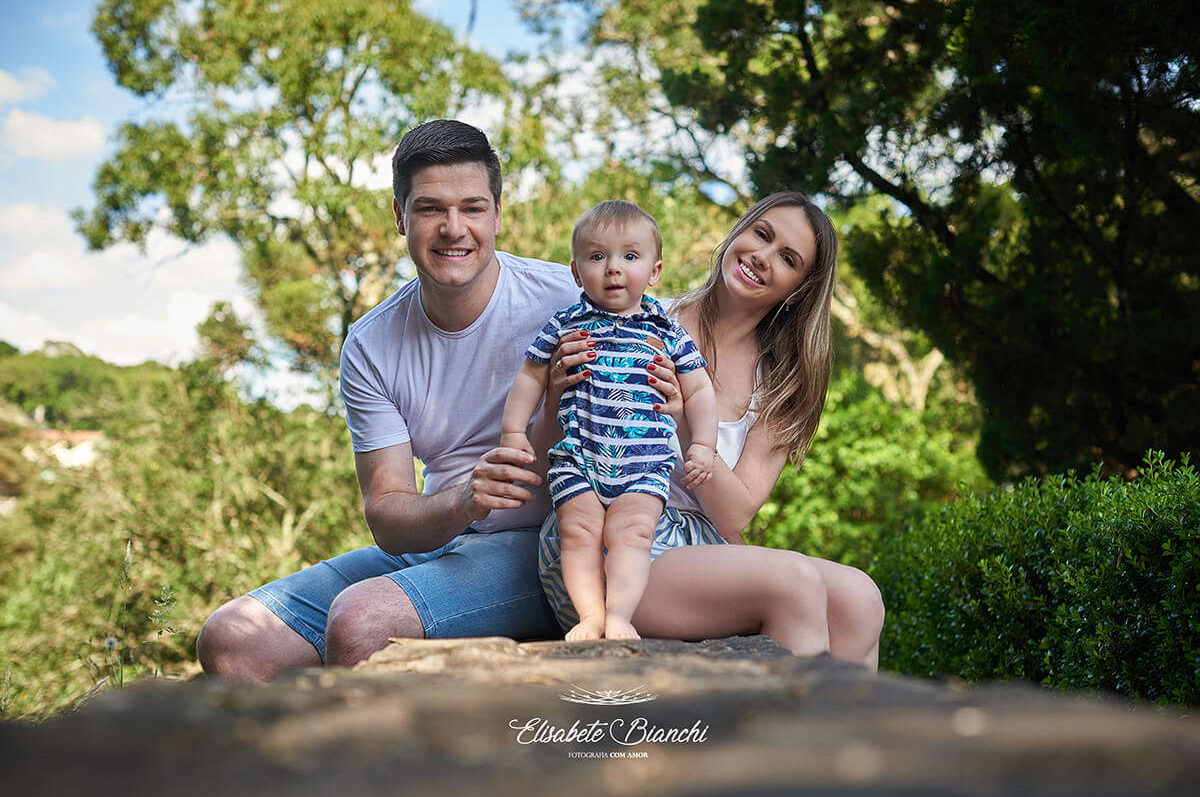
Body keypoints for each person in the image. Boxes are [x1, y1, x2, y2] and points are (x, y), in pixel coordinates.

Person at [195, 119, 581, 681]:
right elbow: (390, 515)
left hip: (547, 546)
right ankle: (300, 764)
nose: (454, 229)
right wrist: (465, 500)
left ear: (498, 214)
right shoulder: (372, 343)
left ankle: (385, 766)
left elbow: (688, 343)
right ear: (399, 215)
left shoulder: (568, 298)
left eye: (473, 208)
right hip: (442, 538)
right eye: (431, 209)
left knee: (361, 621)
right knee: (232, 640)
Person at [538, 192, 886, 669]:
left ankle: (850, 738)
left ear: (799, 289)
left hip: (701, 542)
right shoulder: (636, 320)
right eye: (761, 235)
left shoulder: (782, 381)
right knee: (792, 581)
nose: (763, 257)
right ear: (738, 233)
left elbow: (734, 516)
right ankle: (794, 736)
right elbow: (554, 444)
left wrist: (683, 419)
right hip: (613, 540)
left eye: (787, 258)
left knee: (859, 598)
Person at [501, 200, 718, 642]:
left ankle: (620, 614)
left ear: (654, 271)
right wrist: (512, 431)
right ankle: (589, 616)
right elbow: (530, 375)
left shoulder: (666, 330)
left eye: (630, 257)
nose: (613, 268)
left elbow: (699, 390)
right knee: (577, 532)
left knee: (632, 533)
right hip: (578, 458)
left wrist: (702, 445)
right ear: (577, 273)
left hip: (644, 462)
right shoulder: (565, 325)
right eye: (598, 257)